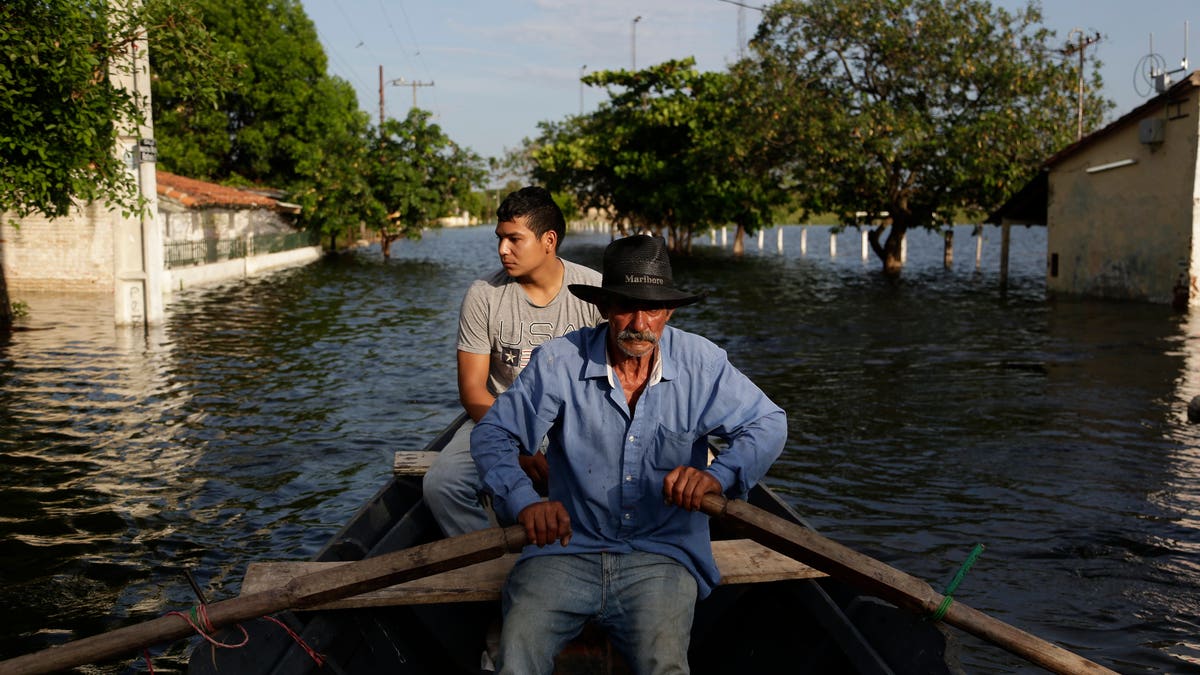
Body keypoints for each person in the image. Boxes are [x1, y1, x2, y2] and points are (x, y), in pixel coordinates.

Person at [472, 234, 787, 674]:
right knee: (517, 652)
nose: (639, 322)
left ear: (669, 312)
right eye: (625, 306)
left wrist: (720, 476)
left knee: (665, 664)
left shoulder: (703, 363)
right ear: (603, 308)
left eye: (653, 309)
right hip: (567, 549)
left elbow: (769, 423)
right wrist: (525, 504)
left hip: (663, 554)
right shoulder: (559, 362)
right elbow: (493, 436)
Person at [423, 186, 602, 537]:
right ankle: (486, 568)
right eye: (500, 239)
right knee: (441, 484)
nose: (503, 250)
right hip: (499, 419)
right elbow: (474, 390)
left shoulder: (593, 291)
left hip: (577, 420)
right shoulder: (484, 295)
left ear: (548, 240)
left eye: (514, 239)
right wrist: (518, 443)